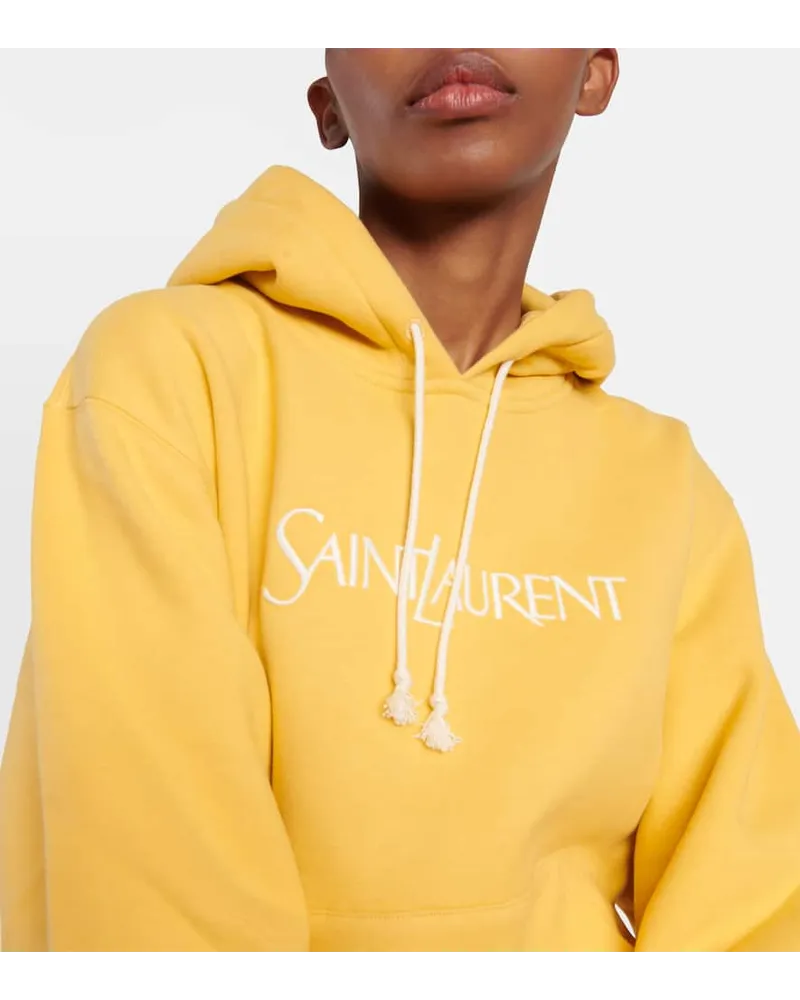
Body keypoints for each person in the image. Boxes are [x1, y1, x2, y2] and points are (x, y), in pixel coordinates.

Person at [1, 47, 798, 953]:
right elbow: (151, 862)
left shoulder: (664, 484)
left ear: (595, 75)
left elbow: (752, 902)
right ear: (328, 108)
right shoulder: (171, 377)